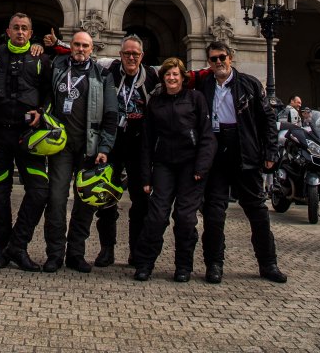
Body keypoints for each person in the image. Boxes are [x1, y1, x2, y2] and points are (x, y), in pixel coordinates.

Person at [44, 30, 159, 267]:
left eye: (135, 53)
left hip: (129, 147)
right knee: (96, 202)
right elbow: (73, 52)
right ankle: (93, 250)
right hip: (104, 147)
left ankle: (128, 253)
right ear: (119, 54)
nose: (130, 57)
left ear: (142, 55)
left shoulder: (151, 77)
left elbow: (178, 77)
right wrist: (54, 44)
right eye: (126, 53)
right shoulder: (107, 69)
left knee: (131, 202)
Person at [198, 41, 287, 284]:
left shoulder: (249, 84)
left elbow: (268, 119)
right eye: (214, 59)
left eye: (222, 57)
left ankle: (268, 264)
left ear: (231, 57)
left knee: (257, 211)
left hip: (244, 151)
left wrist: (270, 151)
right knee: (214, 212)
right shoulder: (203, 84)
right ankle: (214, 264)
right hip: (215, 151)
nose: (219, 62)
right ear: (208, 62)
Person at [133, 58, 216, 283]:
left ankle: (183, 266)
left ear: (182, 77)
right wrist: (146, 176)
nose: (171, 78)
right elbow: (147, 141)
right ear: (163, 78)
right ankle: (145, 263)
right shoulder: (156, 102)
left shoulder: (195, 99)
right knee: (157, 216)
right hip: (163, 165)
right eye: (167, 74)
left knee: (185, 218)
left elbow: (207, 136)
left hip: (190, 167)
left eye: (175, 74)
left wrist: (201, 166)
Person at [42, 30, 118, 273]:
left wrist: (105, 147)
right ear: (70, 46)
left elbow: (111, 115)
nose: (81, 49)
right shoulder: (56, 67)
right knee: (56, 200)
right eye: (77, 44)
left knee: (85, 203)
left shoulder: (103, 75)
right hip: (60, 146)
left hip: (89, 147)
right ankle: (54, 254)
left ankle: (76, 253)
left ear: (92, 48)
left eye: (85, 45)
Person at [0, 13, 51, 271]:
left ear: (31, 32)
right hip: (0, 137)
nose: (20, 32)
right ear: (8, 30)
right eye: (16, 28)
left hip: (28, 138)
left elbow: (49, 94)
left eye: (25, 28)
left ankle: (18, 245)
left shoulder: (41, 58)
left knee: (39, 191)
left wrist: (42, 112)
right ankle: (1, 249)